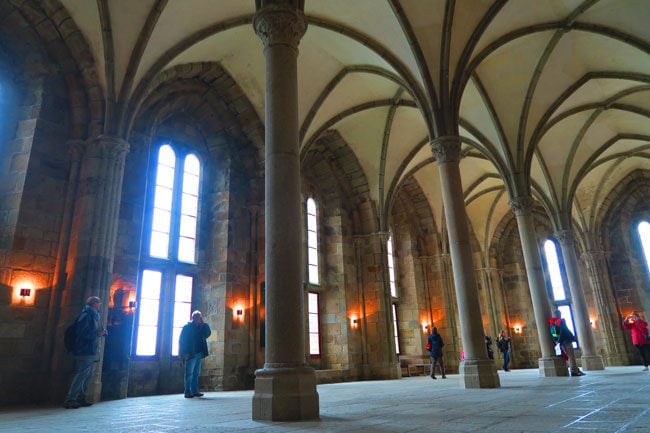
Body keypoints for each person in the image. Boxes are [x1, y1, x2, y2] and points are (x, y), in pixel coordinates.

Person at [63, 296, 106, 409]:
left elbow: (97, 330)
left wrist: (102, 332)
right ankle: (71, 399)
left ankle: (81, 397)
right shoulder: (86, 316)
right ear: (94, 304)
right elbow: (82, 334)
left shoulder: (95, 316)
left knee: (87, 375)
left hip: (92, 349)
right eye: (98, 303)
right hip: (85, 350)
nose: (100, 305)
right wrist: (98, 334)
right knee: (82, 374)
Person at [179, 310, 211, 398]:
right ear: (192, 317)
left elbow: (208, 333)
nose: (198, 319)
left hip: (199, 353)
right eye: (196, 317)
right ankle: (187, 391)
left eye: (199, 317)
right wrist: (183, 353)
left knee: (196, 373)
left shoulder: (201, 327)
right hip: (190, 353)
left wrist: (204, 324)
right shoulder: (187, 327)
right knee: (189, 373)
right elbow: (182, 341)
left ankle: (195, 391)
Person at [549, 309, 585, 376]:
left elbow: (552, 333)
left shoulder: (552, 323)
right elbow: (563, 330)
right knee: (571, 357)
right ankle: (574, 371)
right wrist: (560, 340)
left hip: (559, 342)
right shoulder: (561, 321)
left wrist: (557, 341)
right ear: (559, 314)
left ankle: (575, 369)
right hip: (566, 341)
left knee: (566, 357)